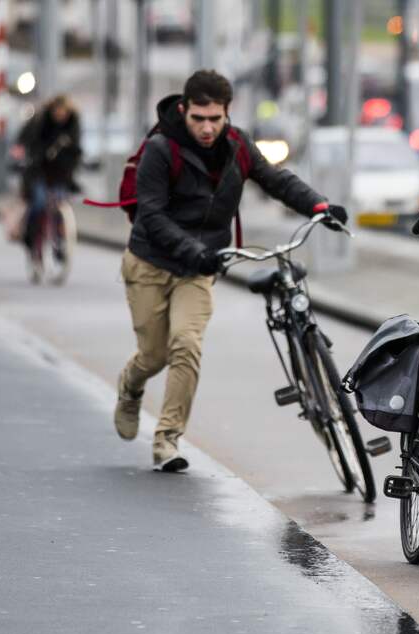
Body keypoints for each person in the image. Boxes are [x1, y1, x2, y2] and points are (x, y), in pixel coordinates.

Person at [113, 69, 347, 472]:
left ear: (227, 114)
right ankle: (130, 387)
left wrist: (318, 206)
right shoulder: (160, 148)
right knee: (153, 357)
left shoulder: (237, 145)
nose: (207, 128)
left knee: (186, 344)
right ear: (184, 110)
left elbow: (275, 180)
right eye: (198, 118)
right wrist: (195, 249)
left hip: (197, 271)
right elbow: (150, 215)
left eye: (215, 119)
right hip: (150, 263)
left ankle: (167, 440)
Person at [13, 94, 82, 261]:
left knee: (60, 206)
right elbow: (25, 140)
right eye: (57, 110)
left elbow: (76, 149)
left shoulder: (72, 125)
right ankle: (30, 237)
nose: (60, 114)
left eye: (63, 110)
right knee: (38, 202)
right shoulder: (40, 122)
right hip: (39, 171)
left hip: (60, 173)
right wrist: (24, 156)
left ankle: (59, 244)